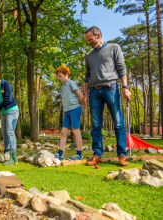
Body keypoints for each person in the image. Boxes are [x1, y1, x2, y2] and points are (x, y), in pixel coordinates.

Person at [84, 26, 131, 166]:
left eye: (91, 40)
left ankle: (122, 155)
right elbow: (87, 77)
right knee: (95, 125)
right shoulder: (88, 56)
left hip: (111, 88)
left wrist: (125, 87)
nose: (89, 43)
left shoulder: (114, 48)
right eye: (87, 41)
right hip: (94, 92)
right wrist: (86, 95)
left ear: (98, 35)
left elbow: (121, 68)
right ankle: (97, 154)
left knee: (118, 122)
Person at [54, 65, 84, 161]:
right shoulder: (63, 87)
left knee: (75, 131)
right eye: (58, 76)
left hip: (75, 109)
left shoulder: (71, 83)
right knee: (63, 132)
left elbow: (80, 95)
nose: (59, 78)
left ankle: (79, 154)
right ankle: (60, 154)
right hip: (67, 112)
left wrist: (78, 106)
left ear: (66, 74)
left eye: (60, 75)